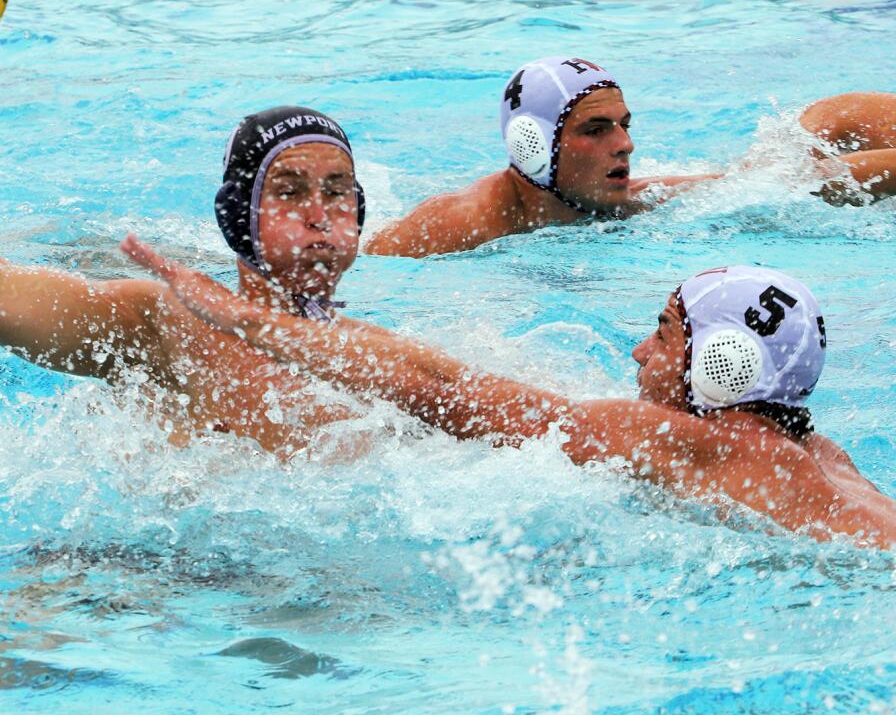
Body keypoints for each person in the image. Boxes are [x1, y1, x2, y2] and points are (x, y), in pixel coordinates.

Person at [123, 238, 896, 547]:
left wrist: (242, 319)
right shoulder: (823, 456)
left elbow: (439, 386)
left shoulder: (689, 441)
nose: (638, 350)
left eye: (663, 334)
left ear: (723, 366)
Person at [0, 56, 368, 455]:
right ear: (236, 215)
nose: (319, 215)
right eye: (288, 192)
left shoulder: (382, 362)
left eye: (337, 192)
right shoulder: (170, 324)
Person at [365, 57, 896, 257]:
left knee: (798, 149)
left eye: (624, 125)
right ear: (533, 147)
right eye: (596, 130)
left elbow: (789, 184)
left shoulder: (619, 200)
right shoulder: (457, 224)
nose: (625, 145)